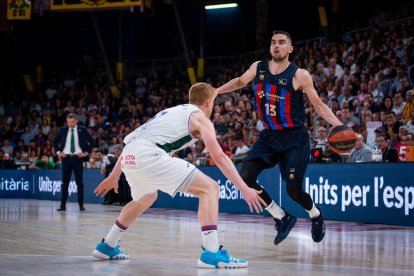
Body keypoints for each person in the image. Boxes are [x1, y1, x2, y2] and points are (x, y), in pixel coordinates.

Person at [92, 83, 265, 268]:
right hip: (149, 154)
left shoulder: (171, 111)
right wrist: (244, 188)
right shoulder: (200, 118)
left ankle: (108, 245)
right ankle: (212, 253)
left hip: (130, 156)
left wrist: (114, 175)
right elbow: (220, 157)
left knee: (147, 197)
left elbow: (133, 141)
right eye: (213, 103)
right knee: (209, 188)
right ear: (208, 102)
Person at [215, 30, 343, 245]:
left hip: (295, 138)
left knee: (293, 190)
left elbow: (318, 105)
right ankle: (281, 216)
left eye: (282, 42)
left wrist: (341, 126)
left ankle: (315, 215)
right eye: (273, 42)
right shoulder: (258, 67)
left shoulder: (299, 75)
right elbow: (239, 81)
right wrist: (216, 91)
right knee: (245, 177)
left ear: (290, 49)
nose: (276, 45)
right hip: (269, 136)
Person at [53, 113, 95, 212]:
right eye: (68, 122)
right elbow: (54, 141)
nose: (70, 124)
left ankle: (81, 205)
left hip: (77, 158)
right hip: (66, 159)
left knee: (79, 183)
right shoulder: (63, 130)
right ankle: (62, 205)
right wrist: (59, 152)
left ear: (76, 121)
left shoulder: (82, 130)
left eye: (72, 122)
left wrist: (86, 153)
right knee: (65, 183)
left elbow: (92, 142)